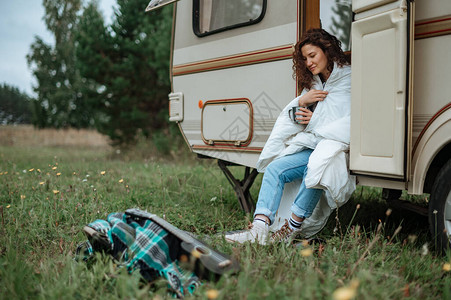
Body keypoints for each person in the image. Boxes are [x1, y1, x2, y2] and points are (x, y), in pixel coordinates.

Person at [225, 28, 351, 245]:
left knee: (317, 168)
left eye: (313, 55)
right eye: (305, 58)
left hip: (336, 147)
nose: (309, 62)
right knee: (276, 169)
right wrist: (301, 103)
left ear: (327, 50)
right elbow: (295, 118)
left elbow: (349, 122)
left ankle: (291, 228)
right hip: (312, 145)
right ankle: (260, 227)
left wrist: (314, 119)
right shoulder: (314, 84)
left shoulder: (349, 78)